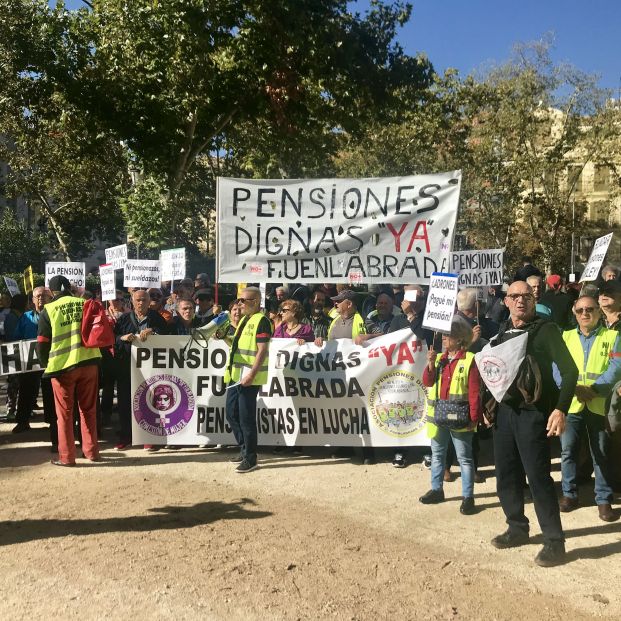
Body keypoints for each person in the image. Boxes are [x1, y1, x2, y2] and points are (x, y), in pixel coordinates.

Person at [489, 281, 578, 567]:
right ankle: (517, 528)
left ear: (533, 299)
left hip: (534, 414)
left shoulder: (547, 330)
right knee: (506, 475)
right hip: (505, 415)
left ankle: (554, 541)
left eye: (525, 296)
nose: (519, 301)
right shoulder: (502, 332)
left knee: (538, 479)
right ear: (506, 301)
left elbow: (570, 371)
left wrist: (560, 409)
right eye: (514, 296)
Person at [555, 296, 621, 521]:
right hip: (571, 403)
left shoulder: (612, 336)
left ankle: (603, 500)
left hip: (597, 403)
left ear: (598, 312)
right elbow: (557, 367)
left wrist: (593, 389)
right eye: (580, 310)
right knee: (568, 451)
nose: (585, 313)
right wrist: (572, 389)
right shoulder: (565, 336)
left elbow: (617, 366)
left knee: (600, 452)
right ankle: (569, 495)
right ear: (574, 313)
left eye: (590, 309)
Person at [36, 276, 102, 466]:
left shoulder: (48, 310)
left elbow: (42, 343)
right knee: (88, 410)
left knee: (64, 415)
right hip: (89, 362)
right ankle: (92, 452)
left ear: (52, 291)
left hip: (63, 368)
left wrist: (45, 364)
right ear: (69, 288)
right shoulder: (84, 303)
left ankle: (67, 457)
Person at [419, 317, 481, 515]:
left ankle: (468, 497)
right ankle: (437, 490)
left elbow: (474, 392)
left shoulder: (469, 359)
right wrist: (429, 363)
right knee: (438, 455)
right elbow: (427, 382)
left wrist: (473, 418)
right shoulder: (438, 359)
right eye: (444, 335)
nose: (444, 338)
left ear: (459, 338)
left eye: (448, 335)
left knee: (464, 458)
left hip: (460, 417)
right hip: (439, 416)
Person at [222, 286, 272, 473]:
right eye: (238, 300)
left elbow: (262, 350)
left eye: (243, 300)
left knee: (246, 417)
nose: (239, 303)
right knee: (231, 413)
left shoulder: (262, 321)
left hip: (249, 376)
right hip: (236, 375)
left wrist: (251, 374)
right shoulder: (245, 319)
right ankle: (244, 450)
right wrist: (225, 338)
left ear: (256, 302)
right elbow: (239, 345)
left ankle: (251, 458)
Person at [113, 289, 168, 449]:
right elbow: (113, 338)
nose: (141, 303)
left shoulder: (157, 318)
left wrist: (154, 331)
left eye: (144, 300)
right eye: (138, 300)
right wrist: (122, 338)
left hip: (150, 369)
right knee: (125, 402)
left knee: (149, 401)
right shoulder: (123, 319)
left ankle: (149, 437)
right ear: (132, 300)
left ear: (149, 301)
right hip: (126, 368)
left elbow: (167, 336)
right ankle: (126, 436)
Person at [12, 288, 56, 446]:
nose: (41, 299)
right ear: (32, 300)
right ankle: (22, 421)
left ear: (50, 298)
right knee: (26, 391)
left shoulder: (54, 314)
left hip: (49, 361)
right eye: (38, 296)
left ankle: (53, 421)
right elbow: (17, 337)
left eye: (44, 296)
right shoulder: (25, 317)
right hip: (29, 363)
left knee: (50, 391)